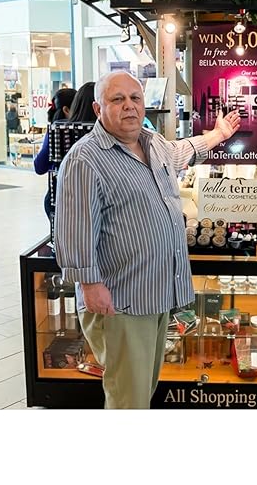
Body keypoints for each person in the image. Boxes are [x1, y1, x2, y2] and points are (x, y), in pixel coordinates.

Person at [54, 71, 241, 409]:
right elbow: (74, 229)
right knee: (128, 396)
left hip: (155, 294)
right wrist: (90, 285)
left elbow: (182, 151)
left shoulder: (152, 143)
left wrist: (218, 134)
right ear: (98, 109)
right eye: (117, 99)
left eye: (135, 98)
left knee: (143, 388)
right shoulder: (85, 159)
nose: (129, 106)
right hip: (121, 301)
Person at [34, 87, 77, 218]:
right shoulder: (82, 130)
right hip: (68, 199)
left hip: (56, 197)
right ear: (66, 110)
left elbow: (39, 166)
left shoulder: (54, 130)